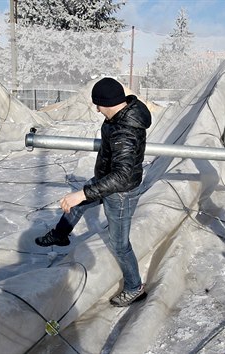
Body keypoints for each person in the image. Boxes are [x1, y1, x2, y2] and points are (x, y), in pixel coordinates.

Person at [35, 77, 152, 307]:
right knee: (77, 203)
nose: (96, 109)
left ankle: (134, 287)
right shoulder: (121, 115)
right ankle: (60, 235)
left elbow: (122, 176)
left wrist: (82, 193)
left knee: (120, 244)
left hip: (120, 191)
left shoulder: (125, 131)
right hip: (106, 178)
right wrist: (84, 194)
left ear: (108, 103)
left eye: (98, 104)